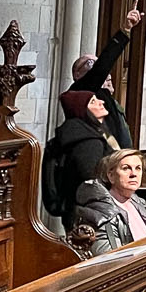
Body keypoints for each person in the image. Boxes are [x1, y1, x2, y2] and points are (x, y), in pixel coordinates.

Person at [68, 2, 143, 146]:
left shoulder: (105, 96)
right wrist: (125, 30)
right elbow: (102, 67)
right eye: (89, 64)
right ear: (77, 74)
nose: (106, 76)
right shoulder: (79, 93)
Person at [48, 87, 122, 226]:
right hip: (93, 214)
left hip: (91, 210)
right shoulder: (87, 141)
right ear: (82, 110)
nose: (101, 102)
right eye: (93, 102)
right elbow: (91, 182)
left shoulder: (94, 132)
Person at [72, 150, 146, 255]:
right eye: (126, 168)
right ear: (111, 176)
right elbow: (112, 259)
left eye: (138, 168)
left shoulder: (139, 203)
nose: (134, 174)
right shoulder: (102, 212)